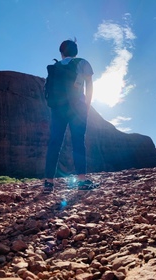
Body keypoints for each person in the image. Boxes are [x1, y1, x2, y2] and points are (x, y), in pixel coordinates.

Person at [44, 39, 94, 193]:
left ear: (61, 52)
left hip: (58, 108)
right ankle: (82, 181)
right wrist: (87, 105)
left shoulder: (56, 66)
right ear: (76, 52)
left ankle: (48, 183)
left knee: (55, 143)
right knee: (78, 142)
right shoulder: (82, 62)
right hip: (76, 108)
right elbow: (89, 85)